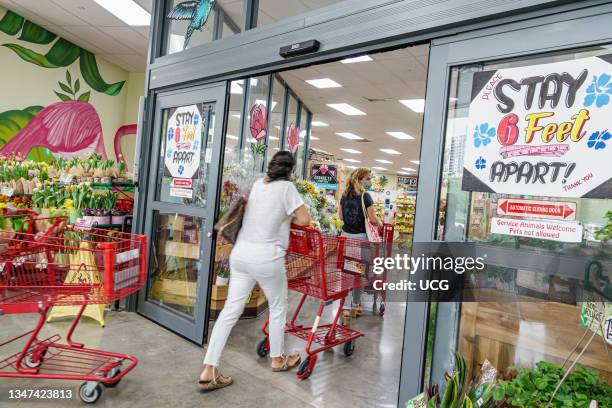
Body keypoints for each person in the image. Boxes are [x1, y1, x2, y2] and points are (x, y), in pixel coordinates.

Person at [199, 151, 311, 391]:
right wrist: (286, 215)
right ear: (290, 170)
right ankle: (278, 359)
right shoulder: (287, 189)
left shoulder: (258, 184)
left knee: (230, 310)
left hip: (240, 255)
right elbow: (304, 220)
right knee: (279, 306)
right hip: (267, 258)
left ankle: (209, 368)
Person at [338, 167, 383, 324]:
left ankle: (344, 307)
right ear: (361, 179)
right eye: (368, 178)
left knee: (347, 273)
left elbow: (341, 216)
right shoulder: (366, 196)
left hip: (345, 238)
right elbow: (372, 219)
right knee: (359, 274)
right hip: (361, 239)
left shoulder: (344, 196)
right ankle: (356, 305)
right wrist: (380, 222)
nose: (370, 181)